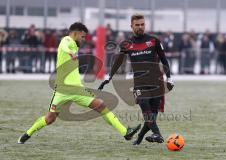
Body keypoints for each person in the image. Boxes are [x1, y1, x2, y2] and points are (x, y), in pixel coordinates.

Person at [18, 22, 140, 144]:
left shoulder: (74, 45)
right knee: (50, 119)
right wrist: (70, 53)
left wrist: (73, 53)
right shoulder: (67, 40)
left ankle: (125, 132)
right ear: (75, 33)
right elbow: (65, 45)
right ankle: (27, 134)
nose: (83, 39)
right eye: (82, 37)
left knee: (101, 105)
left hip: (77, 90)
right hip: (62, 90)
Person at [98, 14, 174, 145]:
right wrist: (109, 77)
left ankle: (139, 138)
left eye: (142, 24)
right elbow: (117, 62)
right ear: (131, 26)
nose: (140, 27)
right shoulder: (126, 44)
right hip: (139, 83)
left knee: (152, 115)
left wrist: (170, 78)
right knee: (144, 104)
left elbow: (164, 59)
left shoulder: (154, 40)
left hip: (156, 82)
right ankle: (158, 134)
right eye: (137, 25)